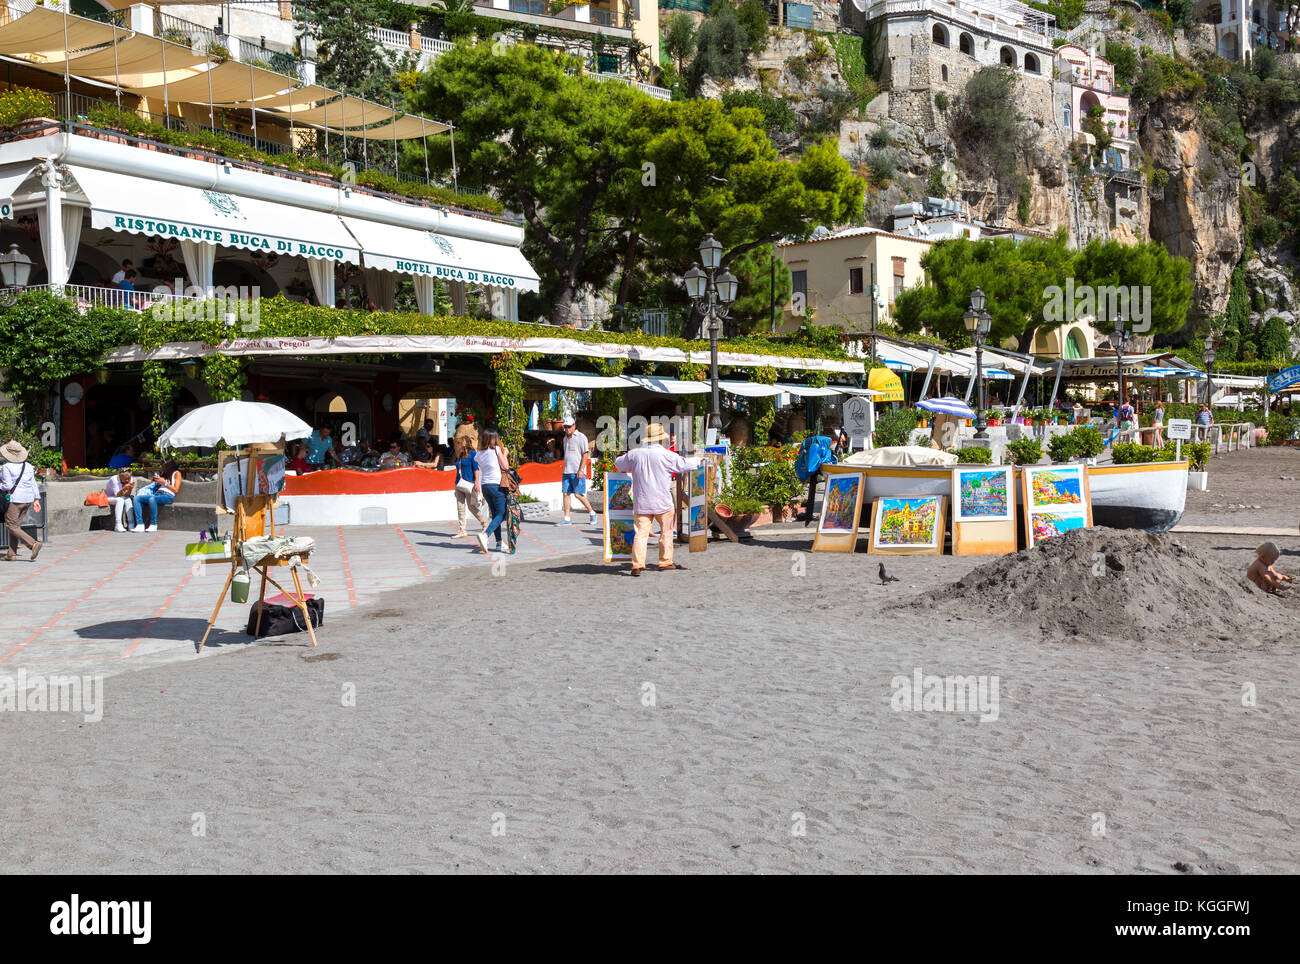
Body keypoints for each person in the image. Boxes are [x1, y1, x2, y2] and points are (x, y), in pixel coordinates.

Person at [614, 421, 702, 576]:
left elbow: (619, 464)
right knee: (666, 532)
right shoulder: (667, 454)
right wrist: (699, 460)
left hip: (642, 501)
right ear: (661, 439)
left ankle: (637, 565)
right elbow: (684, 464)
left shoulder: (635, 454)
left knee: (641, 534)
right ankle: (665, 561)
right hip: (662, 500)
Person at [1, 439, 41, 561]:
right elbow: (33, 483)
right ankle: (11, 553)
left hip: (16, 499)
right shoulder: (28, 466)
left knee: (10, 525)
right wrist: (36, 498)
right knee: (15, 525)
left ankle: (32, 544)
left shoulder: (7, 467)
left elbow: (7, 486)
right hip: (28, 499)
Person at [473, 429, 512, 553]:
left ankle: (499, 543)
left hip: (485, 486)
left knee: (495, 515)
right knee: (502, 514)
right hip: (496, 485)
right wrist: (504, 453)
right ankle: (485, 535)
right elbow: (505, 466)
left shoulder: (478, 453)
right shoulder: (495, 449)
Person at [559, 415, 597, 527]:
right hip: (567, 470)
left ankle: (592, 513)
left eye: (569, 426)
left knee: (578, 494)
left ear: (574, 425)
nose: (567, 429)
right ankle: (566, 518)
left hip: (577, 470)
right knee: (566, 493)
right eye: (565, 427)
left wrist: (581, 470)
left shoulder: (581, 437)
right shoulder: (565, 438)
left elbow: (585, 453)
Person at [451, 435, 489, 538]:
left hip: (469, 484)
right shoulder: (460, 455)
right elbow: (458, 471)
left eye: (460, 443)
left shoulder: (473, 454)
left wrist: (477, 482)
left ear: (465, 443)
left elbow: (476, 469)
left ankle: (484, 524)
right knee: (460, 508)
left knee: (471, 506)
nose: (458, 445)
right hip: (459, 484)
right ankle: (462, 530)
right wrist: (455, 487)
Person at [132, 458, 182, 532]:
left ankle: (153, 524)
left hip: (168, 496)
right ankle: (140, 524)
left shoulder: (176, 473)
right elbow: (152, 487)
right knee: (136, 498)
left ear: (169, 466)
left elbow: (176, 490)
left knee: (152, 499)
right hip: (156, 494)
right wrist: (155, 482)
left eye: (163, 466)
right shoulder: (164, 474)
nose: (162, 467)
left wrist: (164, 482)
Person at [104, 467, 136, 532]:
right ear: (120, 476)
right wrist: (124, 488)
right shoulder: (114, 479)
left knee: (128, 499)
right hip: (108, 497)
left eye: (128, 478)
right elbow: (117, 495)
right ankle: (118, 524)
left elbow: (127, 495)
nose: (127, 480)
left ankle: (131, 523)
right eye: (125, 479)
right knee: (120, 500)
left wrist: (130, 488)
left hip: (121, 497)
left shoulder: (131, 479)